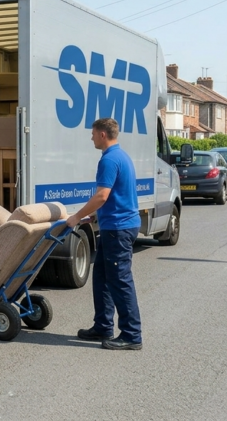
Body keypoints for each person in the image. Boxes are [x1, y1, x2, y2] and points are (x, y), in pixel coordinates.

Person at [66, 118, 142, 351]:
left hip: (118, 229)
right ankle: (103, 326)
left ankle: (131, 335)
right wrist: (95, 215)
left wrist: (77, 217)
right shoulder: (121, 156)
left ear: (102, 134)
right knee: (101, 277)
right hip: (115, 225)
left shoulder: (109, 160)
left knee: (119, 281)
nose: (91, 138)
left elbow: (102, 196)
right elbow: (117, 195)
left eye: (93, 133)